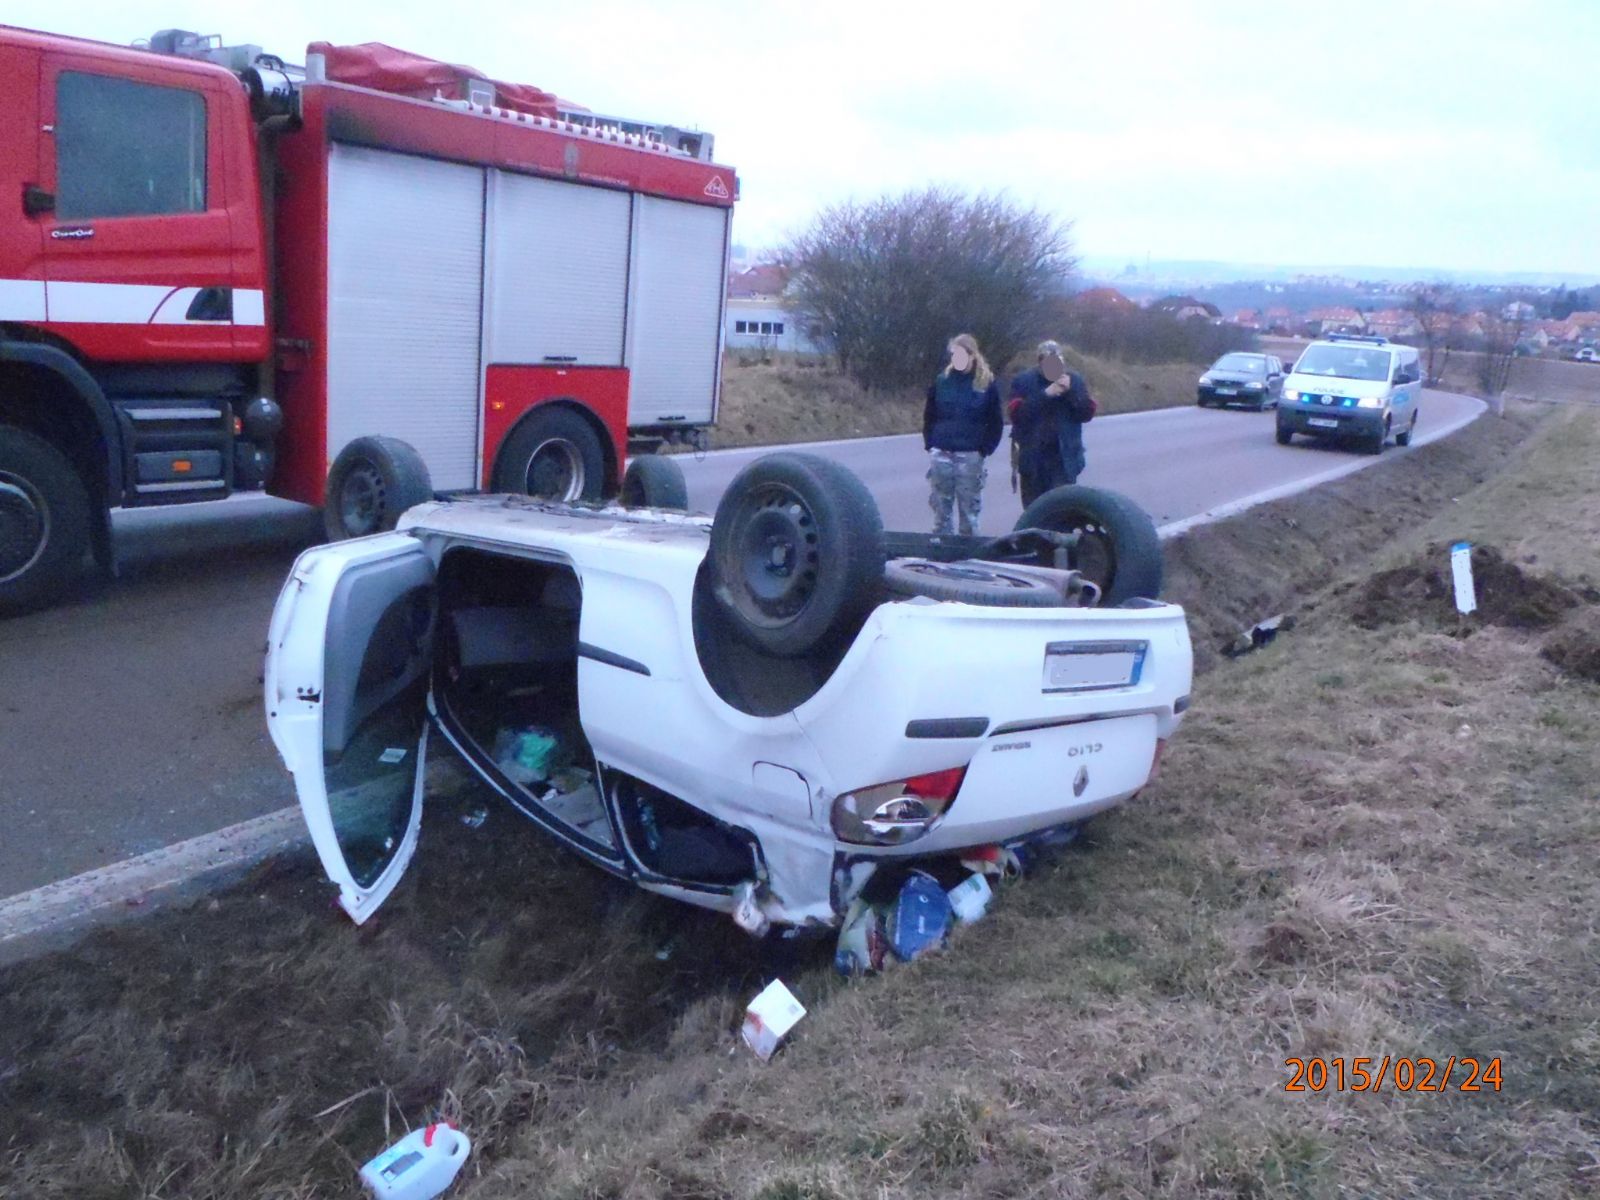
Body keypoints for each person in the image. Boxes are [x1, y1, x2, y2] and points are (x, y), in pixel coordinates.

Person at [922, 333, 1004, 535]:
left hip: (970, 454)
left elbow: (995, 421)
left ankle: (968, 555)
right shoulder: (942, 382)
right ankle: (941, 554)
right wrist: (931, 443)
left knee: (969, 512)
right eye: (953, 354)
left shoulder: (985, 385)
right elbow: (930, 414)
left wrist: (984, 449)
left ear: (972, 355)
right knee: (941, 511)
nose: (956, 358)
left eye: (960, 354)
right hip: (942, 451)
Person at [1008, 339, 1096, 506]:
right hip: (1033, 459)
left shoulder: (1074, 380)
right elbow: (1017, 415)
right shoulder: (1023, 381)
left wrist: (1070, 393)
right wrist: (1046, 394)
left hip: (1063, 459)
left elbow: (1086, 413)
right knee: (1034, 510)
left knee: (1061, 509)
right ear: (1040, 362)